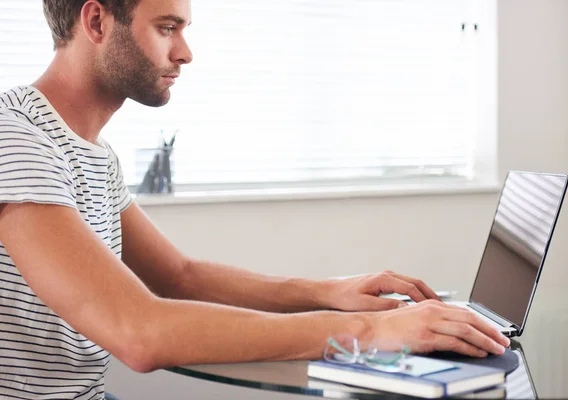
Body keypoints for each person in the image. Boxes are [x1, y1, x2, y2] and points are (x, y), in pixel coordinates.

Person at [0, 1, 510, 399]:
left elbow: (180, 277)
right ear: (96, 22)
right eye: (167, 27)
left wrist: (328, 291)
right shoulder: (15, 137)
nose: (185, 52)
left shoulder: (93, 155)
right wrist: (371, 330)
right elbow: (139, 333)